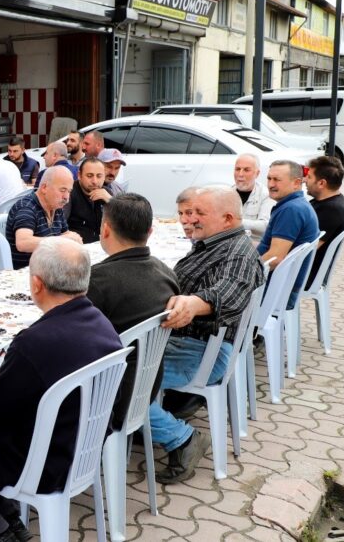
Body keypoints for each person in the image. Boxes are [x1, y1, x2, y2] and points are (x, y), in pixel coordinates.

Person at [0, 238, 123, 542]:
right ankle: (7, 515)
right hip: (81, 447)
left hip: (40, 459)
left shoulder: (35, 342)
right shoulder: (103, 324)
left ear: (36, 284)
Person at [151, 186, 264, 484]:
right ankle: (148, 421)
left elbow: (227, 294)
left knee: (119, 383)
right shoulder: (215, 242)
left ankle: (182, 438)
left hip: (204, 352)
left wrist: (192, 304)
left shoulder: (238, 254)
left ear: (227, 219)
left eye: (200, 213)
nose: (191, 219)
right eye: (189, 212)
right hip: (191, 343)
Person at [86, 193, 181, 426]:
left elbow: (76, 347)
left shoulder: (97, 281)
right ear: (150, 232)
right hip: (147, 386)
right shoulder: (166, 273)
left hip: (108, 398)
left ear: (105, 230)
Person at [258, 160, 320, 306]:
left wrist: (243, 273)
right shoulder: (296, 204)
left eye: (277, 180)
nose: (271, 185)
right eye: (269, 179)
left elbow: (274, 258)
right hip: (280, 286)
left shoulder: (291, 210)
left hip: (275, 291)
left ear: (296, 183)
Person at [6, 166, 81, 269]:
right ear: (44, 187)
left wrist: (73, 237)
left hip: (50, 268)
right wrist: (60, 241)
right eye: (62, 190)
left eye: (69, 191)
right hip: (27, 272)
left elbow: (65, 233)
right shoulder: (26, 207)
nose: (66, 197)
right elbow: (23, 243)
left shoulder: (56, 206)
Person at [304, 155, 344, 285]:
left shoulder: (332, 210)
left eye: (309, 177)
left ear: (321, 183)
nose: (304, 180)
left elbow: (305, 250)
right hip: (302, 269)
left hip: (306, 274)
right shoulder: (324, 202)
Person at [64, 157, 111, 243]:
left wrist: (111, 201)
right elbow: (59, 225)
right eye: (89, 176)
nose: (95, 181)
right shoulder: (69, 193)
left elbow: (124, 223)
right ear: (79, 175)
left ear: (104, 176)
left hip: (102, 247)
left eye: (99, 176)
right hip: (76, 247)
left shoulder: (107, 193)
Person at [234, 154, 274, 239]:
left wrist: (235, 222)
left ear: (257, 173)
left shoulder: (266, 195)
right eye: (237, 169)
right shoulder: (228, 194)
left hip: (254, 246)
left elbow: (265, 226)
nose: (240, 174)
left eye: (246, 170)